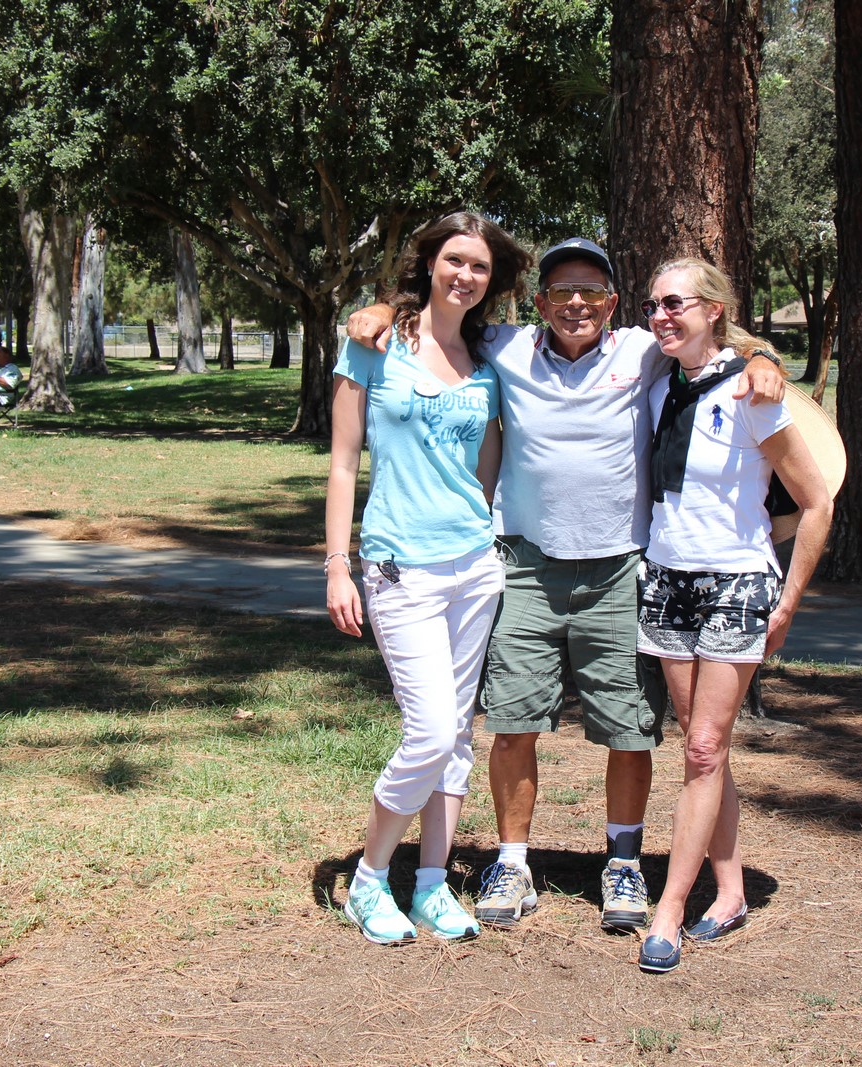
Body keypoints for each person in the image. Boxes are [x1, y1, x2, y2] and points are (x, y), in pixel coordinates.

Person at [346, 239, 785, 934]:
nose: (575, 303)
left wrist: (764, 360)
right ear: (539, 301)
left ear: (612, 304)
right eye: (560, 291)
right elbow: (436, 313)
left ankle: (622, 860)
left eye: (591, 291)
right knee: (513, 722)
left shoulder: (644, 349)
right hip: (524, 566)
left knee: (628, 729)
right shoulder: (507, 346)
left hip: (620, 569)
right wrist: (378, 309)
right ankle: (513, 860)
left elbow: (724, 336)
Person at [326, 211, 530, 945]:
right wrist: (336, 565)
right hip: (396, 567)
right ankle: (369, 878)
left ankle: (433, 885)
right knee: (430, 728)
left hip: (474, 569)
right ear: (430, 263)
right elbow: (345, 462)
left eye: (479, 266)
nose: (465, 275)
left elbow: (486, 469)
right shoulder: (375, 346)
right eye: (455, 260)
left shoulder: (489, 360)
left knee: (455, 740)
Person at [632, 258, 833, 974]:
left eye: (675, 303)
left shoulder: (754, 392)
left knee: (704, 749)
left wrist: (788, 598)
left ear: (714, 309)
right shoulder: (659, 385)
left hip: (734, 584)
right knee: (701, 748)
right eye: (654, 304)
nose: (661, 315)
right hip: (665, 583)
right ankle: (732, 890)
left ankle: (668, 911)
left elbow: (816, 501)